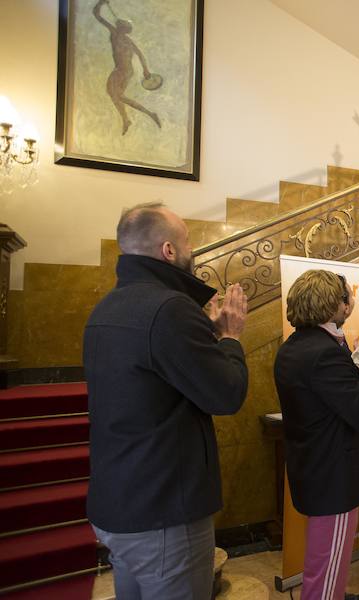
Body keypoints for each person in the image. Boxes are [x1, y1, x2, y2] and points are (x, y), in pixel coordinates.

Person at [84, 202, 249, 600]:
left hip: (119, 503)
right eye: (188, 240)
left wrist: (201, 336)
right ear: (169, 251)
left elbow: (153, 376)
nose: (193, 249)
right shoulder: (171, 308)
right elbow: (226, 393)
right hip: (163, 511)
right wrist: (230, 337)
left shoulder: (106, 308)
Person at [274, 270, 359, 600]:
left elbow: (330, 395)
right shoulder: (323, 352)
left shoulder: (297, 345)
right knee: (326, 576)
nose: (352, 303)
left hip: (315, 471)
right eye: (348, 297)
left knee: (322, 565)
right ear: (336, 304)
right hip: (332, 477)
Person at [93, 0, 161, 135]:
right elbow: (140, 55)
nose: (119, 27)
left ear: (123, 28)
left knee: (115, 94)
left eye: (121, 26)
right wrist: (145, 69)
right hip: (127, 71)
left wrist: (100, 4)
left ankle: (144, 114)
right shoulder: (123, 38)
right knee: (117, 95)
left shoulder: (116, 34)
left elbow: (97, 15)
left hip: (121, 70)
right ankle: (128, 119)